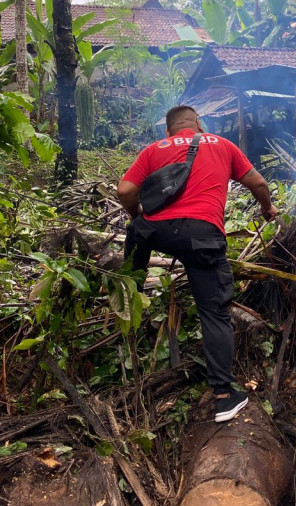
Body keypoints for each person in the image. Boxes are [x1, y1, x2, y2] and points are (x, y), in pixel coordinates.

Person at [117, 104, 279, 422]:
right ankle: (223, 396)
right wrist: (267, 208)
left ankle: (128, 302)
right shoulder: (222, 144)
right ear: (199, 125)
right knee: (214, 313)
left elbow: (125, 190)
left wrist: (138, 217)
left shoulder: (154, 149)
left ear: (168, 131)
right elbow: (258, 184)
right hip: (201, 235)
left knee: (136, 236)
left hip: (154, 230)